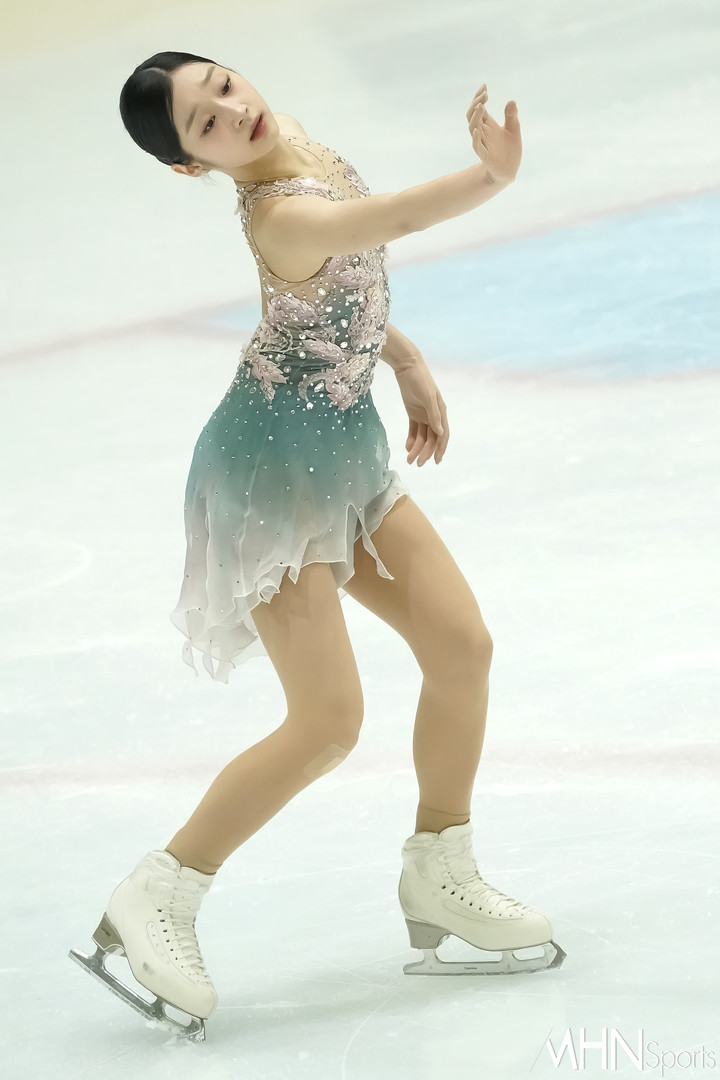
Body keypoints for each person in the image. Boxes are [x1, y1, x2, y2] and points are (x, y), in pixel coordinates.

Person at [68, 51, 564, 1042]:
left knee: (461, 646)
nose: (234, 111)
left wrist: (404, 359)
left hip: (339, 442)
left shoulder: (288, 135)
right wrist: (492, 177)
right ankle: (160, 889)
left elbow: (320, 298)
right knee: (328, 721)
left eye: (222, 85)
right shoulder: (281, 213)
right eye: (205, 124)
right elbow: (385, 225)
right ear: (191, 166)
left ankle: (440, 866)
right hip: (268, 477)